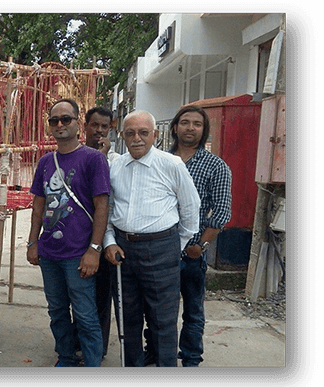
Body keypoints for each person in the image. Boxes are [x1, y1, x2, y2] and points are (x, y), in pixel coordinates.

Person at [103, 110, 200, 367]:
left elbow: (190, 209)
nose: (137, 139)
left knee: (163, 321)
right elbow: (108, 210)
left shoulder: (171, 164)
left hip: (162, 248)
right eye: (131, 133)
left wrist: (175, 246)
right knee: (127, 319)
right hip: (122, 251)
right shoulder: (115, 167)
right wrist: (109, 241)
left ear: (155, 135)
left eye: (144, 133)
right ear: (122, 135)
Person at [143, 105, 232, 367]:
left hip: (191, 253)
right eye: (184, 122)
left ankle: (191, 358)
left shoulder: (215, 166)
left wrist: (201, 245)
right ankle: (155, 351)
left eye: (196, 124)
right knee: (156, 309)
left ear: (204, 130)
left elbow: (223, 210)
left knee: (193, 310)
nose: (190, 128)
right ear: (174, 127)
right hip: (158, 250)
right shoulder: (157, 159)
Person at [26, 98, 110, 367]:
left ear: (78, 123)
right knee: (57, 311)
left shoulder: (93, 159)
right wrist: (32, 242)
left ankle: (93, 362)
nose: (60, 124)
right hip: (50, 252)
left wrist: (94, 250)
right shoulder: (45, 162)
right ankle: (65, 357)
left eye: (66, 119)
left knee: (85, 313)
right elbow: (38, 205)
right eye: (54, 120)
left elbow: (102, 207)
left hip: (78, 253)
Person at [70, 106, 121, 360]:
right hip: (75, 236)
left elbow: (110, 200)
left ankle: (95, 349)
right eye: (94, 125)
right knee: (76, 295)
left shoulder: (117, 161)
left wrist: (102, 159)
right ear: (85, 126)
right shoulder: (73, 155)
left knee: (101, 296)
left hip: (103, 239)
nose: (99, 131)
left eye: (104, 126)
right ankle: (75, 343)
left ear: (110, 128)